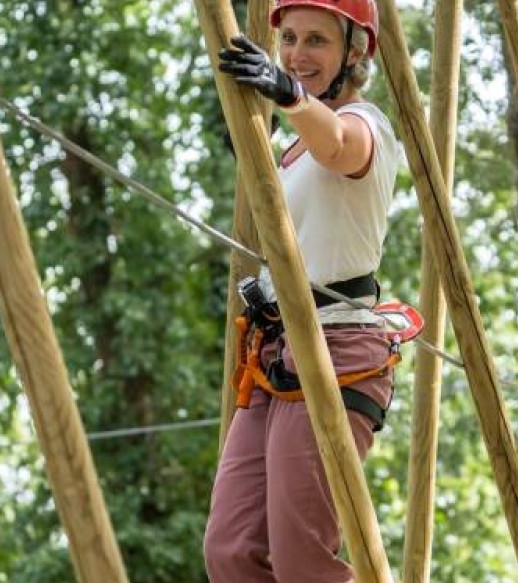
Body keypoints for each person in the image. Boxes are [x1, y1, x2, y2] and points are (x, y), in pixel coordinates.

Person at [203, 0, 406, 579]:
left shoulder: (368, 124)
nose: (298, 53)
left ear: (354, 51)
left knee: (301, 561)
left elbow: (340, 146)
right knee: (232, 552)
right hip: (275, 353)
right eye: (289, 38)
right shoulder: (289, 151)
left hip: (338, 349)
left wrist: (288, 92)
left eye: (317, 40)